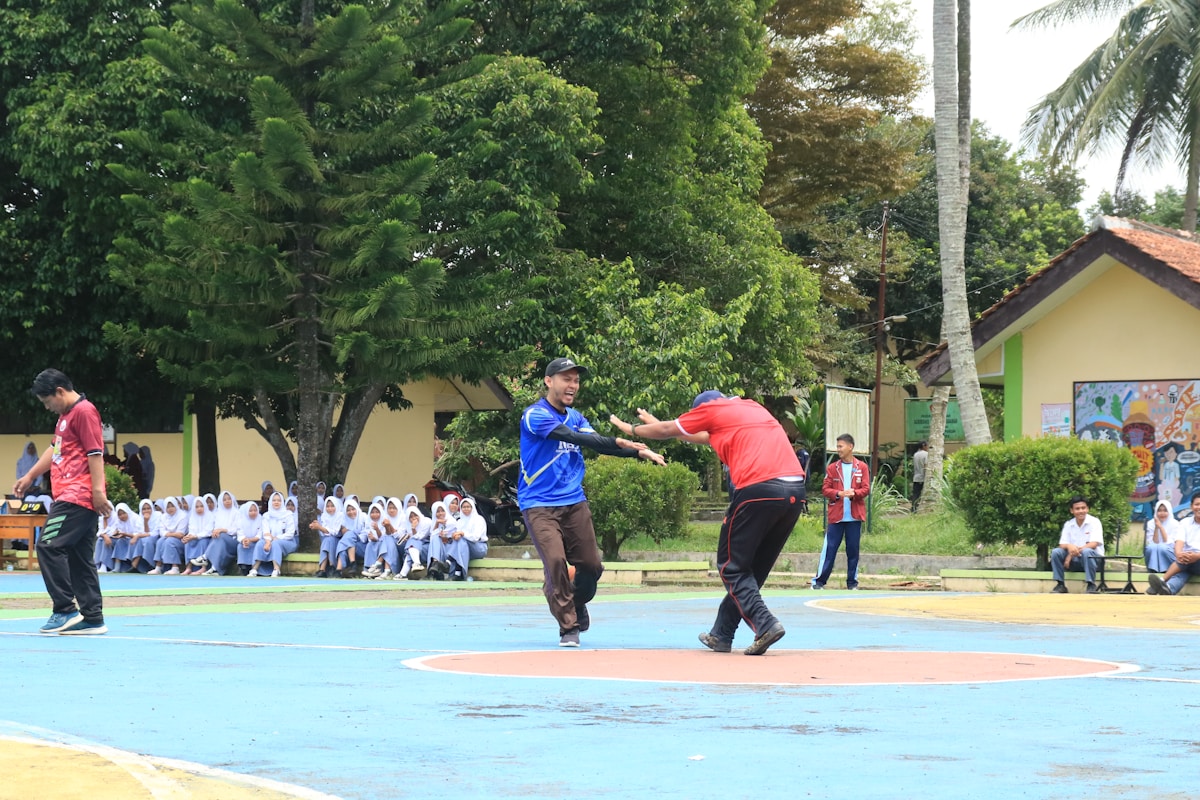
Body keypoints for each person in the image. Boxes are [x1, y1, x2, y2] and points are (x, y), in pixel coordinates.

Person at [611, 390, 804, 656]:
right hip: (794, 491)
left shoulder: (713, 408)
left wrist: (633, 429)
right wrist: (657, 424)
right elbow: (701, 435)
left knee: (731, 567)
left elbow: (670, 428)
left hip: (759, 489)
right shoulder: (750, 409)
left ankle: (765, 623)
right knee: (752, 570)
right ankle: (721, 634)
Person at [520, 357, 664, 647]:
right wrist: (620, 441)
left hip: (574, 502)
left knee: (592, 566)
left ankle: (575, 601)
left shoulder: (576, 416)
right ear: (549, 382)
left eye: (575, 380)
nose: (572, 385)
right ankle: (568, 627)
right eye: (565, 379)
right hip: (538, 504)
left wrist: (637, 452)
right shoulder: (535, 415)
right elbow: (575, 438)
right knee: (556, 562)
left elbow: (595, 440)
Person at [12, 368, 113, 635]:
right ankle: (93, 617)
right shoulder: (65, 417)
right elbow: (55, 449)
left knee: (47, 545)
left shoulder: (84, 411)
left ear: (59, 391)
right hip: (69, 495)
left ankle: (65, 609)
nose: (48, 408)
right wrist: (30, 475)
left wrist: (98, 491)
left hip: (76, 496)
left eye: (48, 402)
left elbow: (95, 452)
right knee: (80, 558)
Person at [814, 434, 871, 591]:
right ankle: (819, 582)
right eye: (837, 446)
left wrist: (855, 493)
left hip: (854, 516)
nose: (838, 449)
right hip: (836, 517)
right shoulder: (832, 468)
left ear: (850, 447)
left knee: (853, 551)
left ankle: (852, 583)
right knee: (829, 549)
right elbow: (825, 489)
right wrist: (838, 494)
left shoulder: (862, 467)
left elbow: (866, 489)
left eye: (840, 446)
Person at [1148, 492, 1200, 595]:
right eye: (1197, 504)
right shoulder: (1185, 523)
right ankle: (1169, 588)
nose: (1199, 507)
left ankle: (1162, 580)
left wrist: (1197, 556)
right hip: (1187, 561)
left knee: (1185, 562)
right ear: (1191, 506)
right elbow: (1179, 542)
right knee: (1183, 570)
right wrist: (1179, 554)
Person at [1051, 495, 1104, 594]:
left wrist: (1070, 555)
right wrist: (1069, 546)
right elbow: (1062, 544)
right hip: (1075, 561)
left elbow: (1094, 544)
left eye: (1083, 508)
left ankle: (1091, 585)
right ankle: (1060, 584)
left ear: (1087, 509)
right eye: (1077, 509)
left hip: (1094, 561)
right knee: (1056, 552)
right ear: (1072, 510)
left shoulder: (1094, 522)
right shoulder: (1069, 524)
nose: (1081, 511)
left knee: (1087, 551)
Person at [1144, 499, 1178, 574]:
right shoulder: (1150, 523)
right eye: (1159, 510)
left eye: (1165, 510)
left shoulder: (1175, 524)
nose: (1162, 513)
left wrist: (1161, 527)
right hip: (1155, 550)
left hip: (1169, 552)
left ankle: (1166, 571)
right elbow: (1153, 543)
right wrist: (1156, 527)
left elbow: (1168, 542)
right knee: (1151, 547)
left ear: (1169, 511)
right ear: (1156, 511)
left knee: (1162, 547)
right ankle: (1153, 571)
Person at [911, 441, 928, 512]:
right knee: (924, 494)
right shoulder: (926, 454)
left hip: (916, 477)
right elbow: (925, 465)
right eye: (926, 446)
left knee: (916, 494)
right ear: (923, 446)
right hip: (923, 477)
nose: (927, 447)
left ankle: (913, 508)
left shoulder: (915, 454)